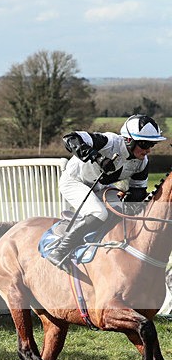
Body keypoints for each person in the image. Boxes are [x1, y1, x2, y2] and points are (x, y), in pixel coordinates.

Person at [45, 114, 167, 268]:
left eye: (152, 145)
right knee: (99, 213)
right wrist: (97, 158)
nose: (148, 150)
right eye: (144, 144)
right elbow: (70, 138)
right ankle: (59, 251)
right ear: (129, 140)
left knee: (121, 212)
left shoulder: (142, 163)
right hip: (74, 182)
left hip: (99, 188)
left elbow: (137, 192)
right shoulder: (108, 142)